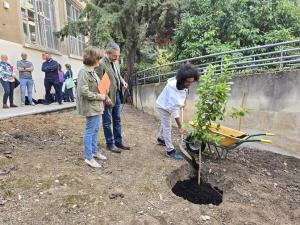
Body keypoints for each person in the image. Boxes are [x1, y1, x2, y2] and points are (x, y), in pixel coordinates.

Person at [77, 46, 111, 168]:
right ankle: (89, 157)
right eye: (98, 58)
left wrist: (105, 94)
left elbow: (98, 87)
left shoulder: (92, 71)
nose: (100, 60)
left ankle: (94, 151)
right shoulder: (84, 71)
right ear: (93, 58)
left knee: (95, 130)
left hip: (97, 106)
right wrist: (100, 96)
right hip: (91, 106)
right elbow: (84, 92)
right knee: (90, 131)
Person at [156, 64, 199, 160]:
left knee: (165, 123)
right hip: (163, 106)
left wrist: (184, 102)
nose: (189, 84)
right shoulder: (173, 88)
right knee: (167, 126)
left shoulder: (185, 83)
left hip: (169, 105)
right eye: (188, 82)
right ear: (182, 79)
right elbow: (174, 110)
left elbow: (186, 91)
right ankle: (170, 150)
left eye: (191, 82)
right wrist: (180, 126)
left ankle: (160, 138)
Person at [96, 42, 130, 153]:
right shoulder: (101, 64)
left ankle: (118, 142)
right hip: (108, 97)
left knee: (117, 119)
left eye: (118, 55)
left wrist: (123, 82)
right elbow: (99, 83)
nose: (117, 57)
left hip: (117, 95)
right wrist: (105, 98)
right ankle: (110, 144)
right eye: (115, 56)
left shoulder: (115, 62)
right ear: (108, 53)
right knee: (107, 121)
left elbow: (118, 75)